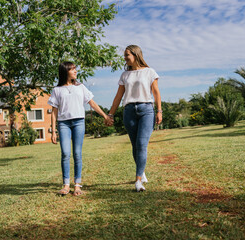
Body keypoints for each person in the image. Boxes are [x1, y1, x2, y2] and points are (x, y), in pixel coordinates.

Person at [48, 61, 113, 196]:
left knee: (77, 154)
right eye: (73, 69)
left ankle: (77, 185)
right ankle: (66, 185)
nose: (76, 71)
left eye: (75, 69)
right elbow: (54, 112)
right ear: (65, 71)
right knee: (65, 153)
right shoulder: (57, 90)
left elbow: (92, 103)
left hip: (79, 122)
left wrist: (105, 116)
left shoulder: (80, 87)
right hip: (63, 124)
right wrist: (53, 131)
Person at [107, 45, 162, 192]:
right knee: (135, 145)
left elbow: (156, 92)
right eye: (125, 56)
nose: (125, 58)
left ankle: (138, 181)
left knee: (142, 144)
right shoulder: (125, 75)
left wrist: (159, 111)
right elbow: (118, 97)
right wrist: (110, 114)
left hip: (146, 110)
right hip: (129, 110)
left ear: (136, 55)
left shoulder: (150, 72)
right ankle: (141, 171)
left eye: (127, 55)